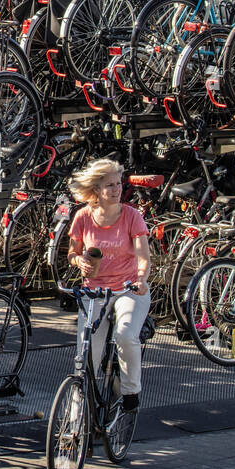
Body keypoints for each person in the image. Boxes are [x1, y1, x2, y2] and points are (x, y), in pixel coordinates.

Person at [66, 158, 151, 412]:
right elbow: (72, 255)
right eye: (109, 186)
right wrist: (78, 261)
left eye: (118, 184)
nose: (116, 190)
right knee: (84, 359)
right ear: (96, 190)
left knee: (125, 335)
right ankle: (74, 424)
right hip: (95, 290)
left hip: (128, 289)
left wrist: (141, 279)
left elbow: (143, 257)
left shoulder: (131, 216)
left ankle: (130, 392)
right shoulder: (82, 217)